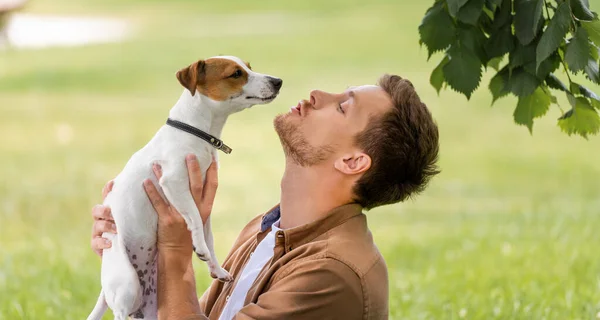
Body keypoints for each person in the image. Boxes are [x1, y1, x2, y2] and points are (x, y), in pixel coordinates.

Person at [91, 74, 440, 320]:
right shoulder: (268, 229)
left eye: (342, 107)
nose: (318, 93)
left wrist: (175, 251)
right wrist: (135, 249)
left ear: (352, 162)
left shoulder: (332, 273)